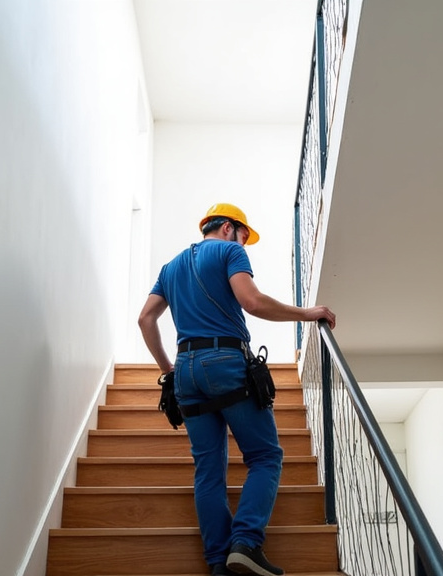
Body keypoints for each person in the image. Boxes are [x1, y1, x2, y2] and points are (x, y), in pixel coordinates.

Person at [138, 203, 336, 576]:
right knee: (265, 457)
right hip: (225, 362)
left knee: (208, 471)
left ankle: (218, 563)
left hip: (185, 371)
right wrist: (307, 313)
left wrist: (169, 371)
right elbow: (252, 301)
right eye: (244, 236)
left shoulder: (170, 267)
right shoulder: (230, 252)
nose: (244, 244)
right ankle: (245, 542)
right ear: (229, 228)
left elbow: (146, 318)